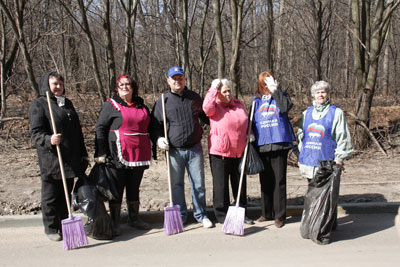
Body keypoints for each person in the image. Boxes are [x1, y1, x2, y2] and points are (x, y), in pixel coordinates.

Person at [150, 66, 212, 228]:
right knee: (176, 185)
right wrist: (158, 139)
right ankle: (181, 215)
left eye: (180, 78)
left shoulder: (194, 98)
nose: (178, 81)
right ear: (168, 80)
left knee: (198, 184)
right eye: (174, 78)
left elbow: (208, 118)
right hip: (174, 151)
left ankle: (201, 214)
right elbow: (154, 125)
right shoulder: (163, 101)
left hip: (194, 148)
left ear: (185, 79)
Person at [29, 72, 88, 241]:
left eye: (61, 84)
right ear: (47, 85)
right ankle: (51, 227)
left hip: (69, 158)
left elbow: (77, 132)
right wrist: (49, 139)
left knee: (65, 193)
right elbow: (36, 132)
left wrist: (82, 154)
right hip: (52, 158)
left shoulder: (66, 103)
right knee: (51, 196)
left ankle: (64, 224)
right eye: (55, 84)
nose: (58, 87)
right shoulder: (39, 104)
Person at [95, 74, 152, 235]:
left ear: (133, 88)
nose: (125, 87)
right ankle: (114, 221)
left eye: (128, 84)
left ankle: (134, 218)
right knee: (117, 188)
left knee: (134, 187)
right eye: (122, 85)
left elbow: (150, 126)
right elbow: (100, 128)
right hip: (116, 153)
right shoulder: (110, 105)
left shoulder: (141, 106)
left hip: (139, 153)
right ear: (117, 88)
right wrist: (101, 152)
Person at [297, 80, 353, 228]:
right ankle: (314, 224)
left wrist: (339, 158)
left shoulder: (336, 113)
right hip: (310, 162)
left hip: (328, 162)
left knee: (328, 195)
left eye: (323, 92)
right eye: (317, 92)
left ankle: (328, 226)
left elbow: (343, 137)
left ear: (328, 94)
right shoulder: (306, 113)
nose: (320, 95)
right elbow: (301, 137)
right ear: (313, 95)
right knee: (313, 196)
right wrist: (300, 157)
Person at [202, 78, 254, 225]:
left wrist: (251, 133)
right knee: (221, 186)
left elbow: (247, 121)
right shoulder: (214, 107)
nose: (228, 94)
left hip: (239, 151)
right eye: (224, 91)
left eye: (229, 90)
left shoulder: (238, 105)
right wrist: (213, 89)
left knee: (240, 185)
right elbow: (206, 108)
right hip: (220, 153)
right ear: (218, 93)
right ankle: (221, 215)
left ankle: (241, 212)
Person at [252, 71, 295, 228]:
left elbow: (284, 108)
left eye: (269, 83)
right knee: (265, 181)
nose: (266, 87)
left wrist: (275, 91)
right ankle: (266, 212)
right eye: (264, 84)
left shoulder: (282, 96)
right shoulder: (256, 101)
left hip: (279, 145)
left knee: (279, 181)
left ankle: (279, 215)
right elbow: (251, 121)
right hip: (262, 146)